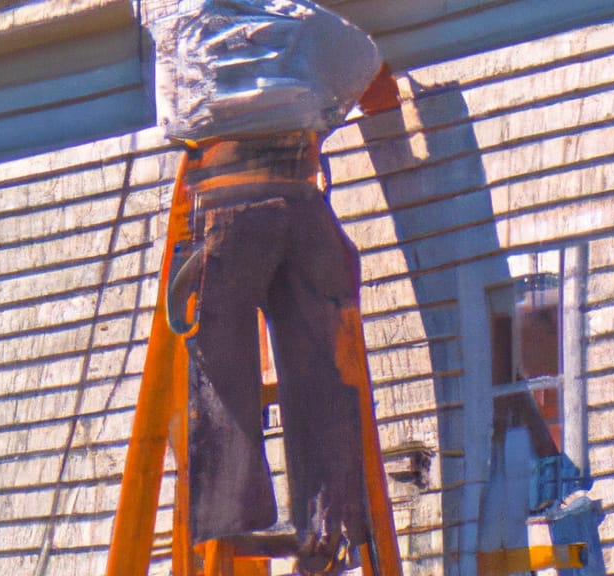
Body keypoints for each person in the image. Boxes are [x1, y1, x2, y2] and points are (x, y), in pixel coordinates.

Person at [150, 2, 393, 573]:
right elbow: (366, 60)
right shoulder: (304, 19)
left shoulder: (180, 26)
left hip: (226, 211)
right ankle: (327, 525)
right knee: (321, 370)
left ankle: (232, 512)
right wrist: (323, 109)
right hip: (301, 205)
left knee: (221, 366)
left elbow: (175, 122)